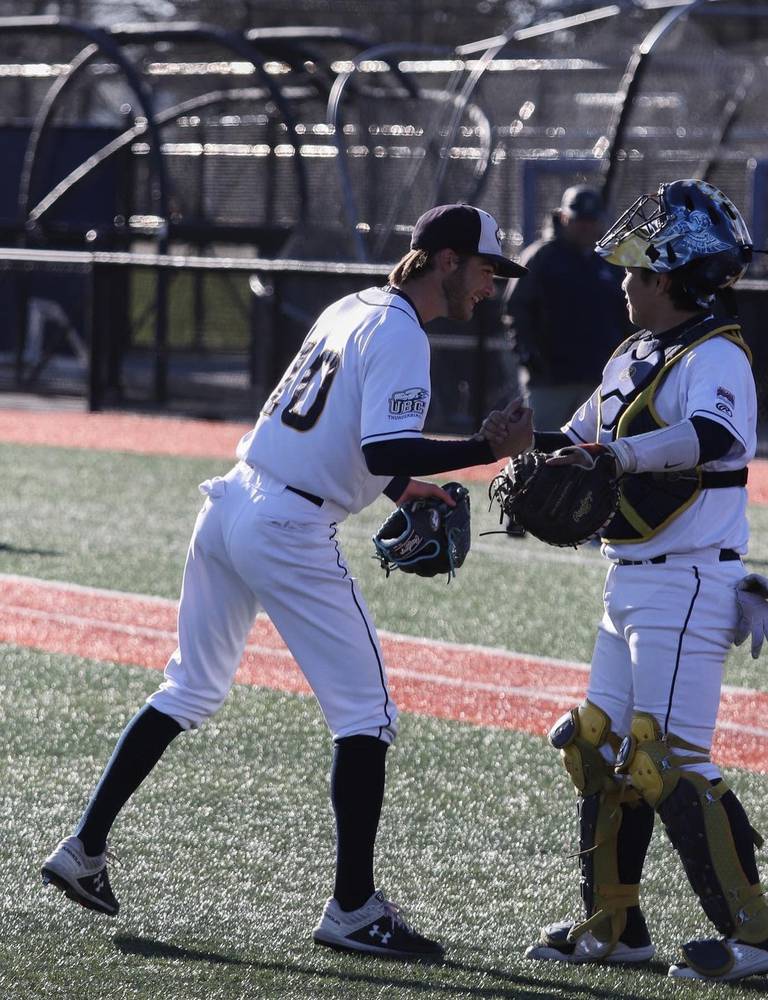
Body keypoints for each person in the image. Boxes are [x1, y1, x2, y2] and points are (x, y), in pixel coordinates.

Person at [41, 204, 533, 960]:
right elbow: (381, 443)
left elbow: (334, 428)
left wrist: (405, 490)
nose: (491, 287)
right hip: (288, 528)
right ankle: (353, 908)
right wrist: (481, 447)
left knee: (189, 688)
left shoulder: (354, 307)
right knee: (367, 715)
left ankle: (84, 848)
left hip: (233, 501)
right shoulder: (402, 330)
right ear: (445, 260)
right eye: (486, 269)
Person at [491, 179, 768, 982]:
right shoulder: (633, 353)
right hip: (628, 577)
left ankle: (759, 936)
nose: (624, 281)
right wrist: (534, 443)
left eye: (636, 271)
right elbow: (586, 436)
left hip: (689, 582)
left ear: (669, 280)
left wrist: (617, 457)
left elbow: (712, 436)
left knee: (667, 762)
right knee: (597, 748)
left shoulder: (717, 353)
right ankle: (614, 926)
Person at [503, 184, 629, 430]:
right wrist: (528, 354)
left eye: (592, 220)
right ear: (563, 217)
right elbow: (516, 309)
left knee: (592, 456)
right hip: (550, 380)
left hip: (600, 378)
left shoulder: (611, 261)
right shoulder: (541, 257)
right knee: (539, 451)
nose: (586, 226)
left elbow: (627, 313)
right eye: (579, 219)